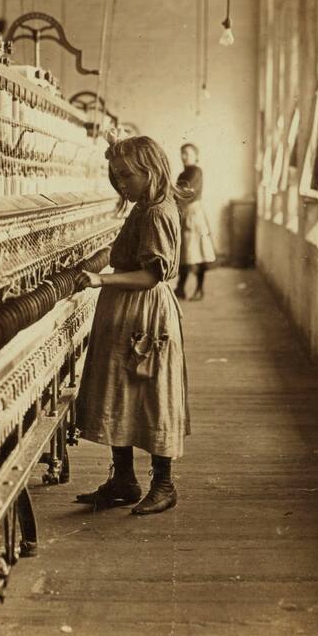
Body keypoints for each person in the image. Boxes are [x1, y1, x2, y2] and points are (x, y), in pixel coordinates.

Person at [72, 136, 192, 515]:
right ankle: (123, 479)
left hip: (144, 311)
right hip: (127, 312)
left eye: (127, 175)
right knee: (119, 391)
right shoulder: (146, 206)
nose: (121, 183)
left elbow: (151, 276)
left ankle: (164, 484)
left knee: (151, 394)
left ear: (151, 170)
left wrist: (99, 280)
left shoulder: (156, 212)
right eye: (116, 176)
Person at [174, 143, 216, 301]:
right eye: (182, 153)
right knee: (185, 252)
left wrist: (174, 195)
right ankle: (181, 288)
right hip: (185, 214)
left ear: (195, 156)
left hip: (194, 214)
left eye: (187, 153)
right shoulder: (182, 174)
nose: (184, 156)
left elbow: (186, 192)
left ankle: (199, 289)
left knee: (198, 253)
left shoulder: (196, 172)